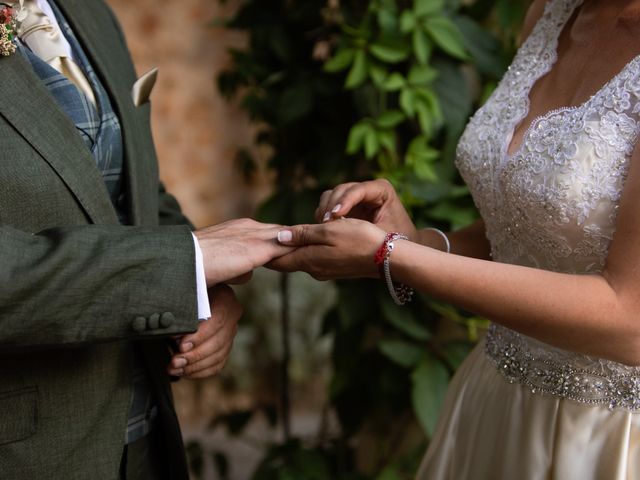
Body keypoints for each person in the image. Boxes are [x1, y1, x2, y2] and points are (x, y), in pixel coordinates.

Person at [271, 0, 640, 477]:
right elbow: (532, 236)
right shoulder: (552, 14)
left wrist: (396, 257)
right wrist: (416, 242)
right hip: (494, 401)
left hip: (605, 436)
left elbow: (630, 320)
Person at [0, 0, 291, 479]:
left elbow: (130, 190)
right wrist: (185, 264)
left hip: (146, 441)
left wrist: (202, 293)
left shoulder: (86, 11)